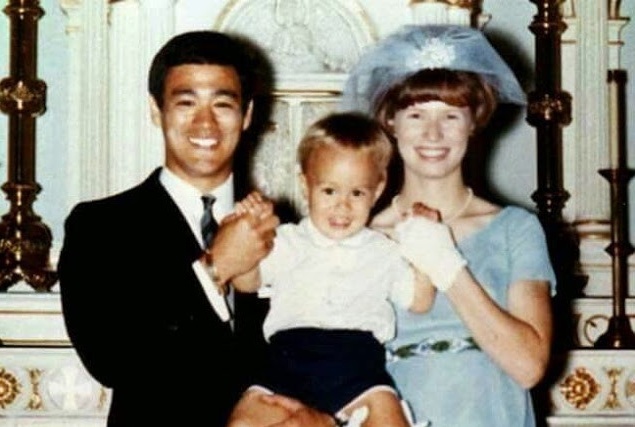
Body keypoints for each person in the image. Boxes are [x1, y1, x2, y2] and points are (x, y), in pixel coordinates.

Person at [58, 30, 314, 427]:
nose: (205, 122)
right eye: (186, 102)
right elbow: (110, 359)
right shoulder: (101, 226)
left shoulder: (289, 229)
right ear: (156, 110)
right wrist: (214, 268)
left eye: (223, 104)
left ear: (247, 115)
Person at [338, 24, 557, 427]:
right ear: (391, 122)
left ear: (473, 122)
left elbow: (528, 367)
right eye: (416, 115)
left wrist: (444, 263)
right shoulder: (360, 236)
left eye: (451, 116)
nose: (433, 134)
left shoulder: (516, 229)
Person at [225, 112, 435, 427]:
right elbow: (245, 283)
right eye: (329, 191)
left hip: (358, 367)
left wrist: (425, 245)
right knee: (243, 423)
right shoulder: (287, 240)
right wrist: (246, 226)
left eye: (357, 193)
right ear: (305, 185)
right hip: (287, 361)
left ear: (377, 191)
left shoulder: (385, 251)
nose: (342, 206)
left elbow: (419, 301)